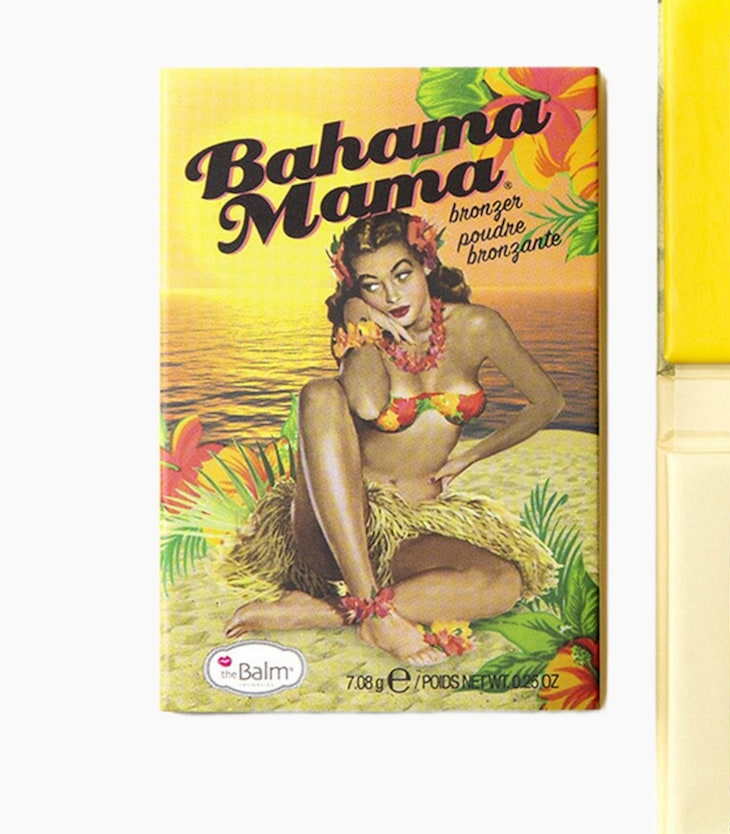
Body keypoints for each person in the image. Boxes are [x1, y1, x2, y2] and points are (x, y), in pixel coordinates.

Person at [222, 212, 562, 662]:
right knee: (320, 393)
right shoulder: (361, 336)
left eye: (402, 275)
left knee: (503, 582)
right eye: (372, 285)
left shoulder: (477, 326)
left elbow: (547, 402)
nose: (392, 295)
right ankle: (370, 606)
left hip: (412, 527)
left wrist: (472, 455)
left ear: (427, 264)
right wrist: (357, 315)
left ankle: (325, 612)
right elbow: (366, 404)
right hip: (335, 529)